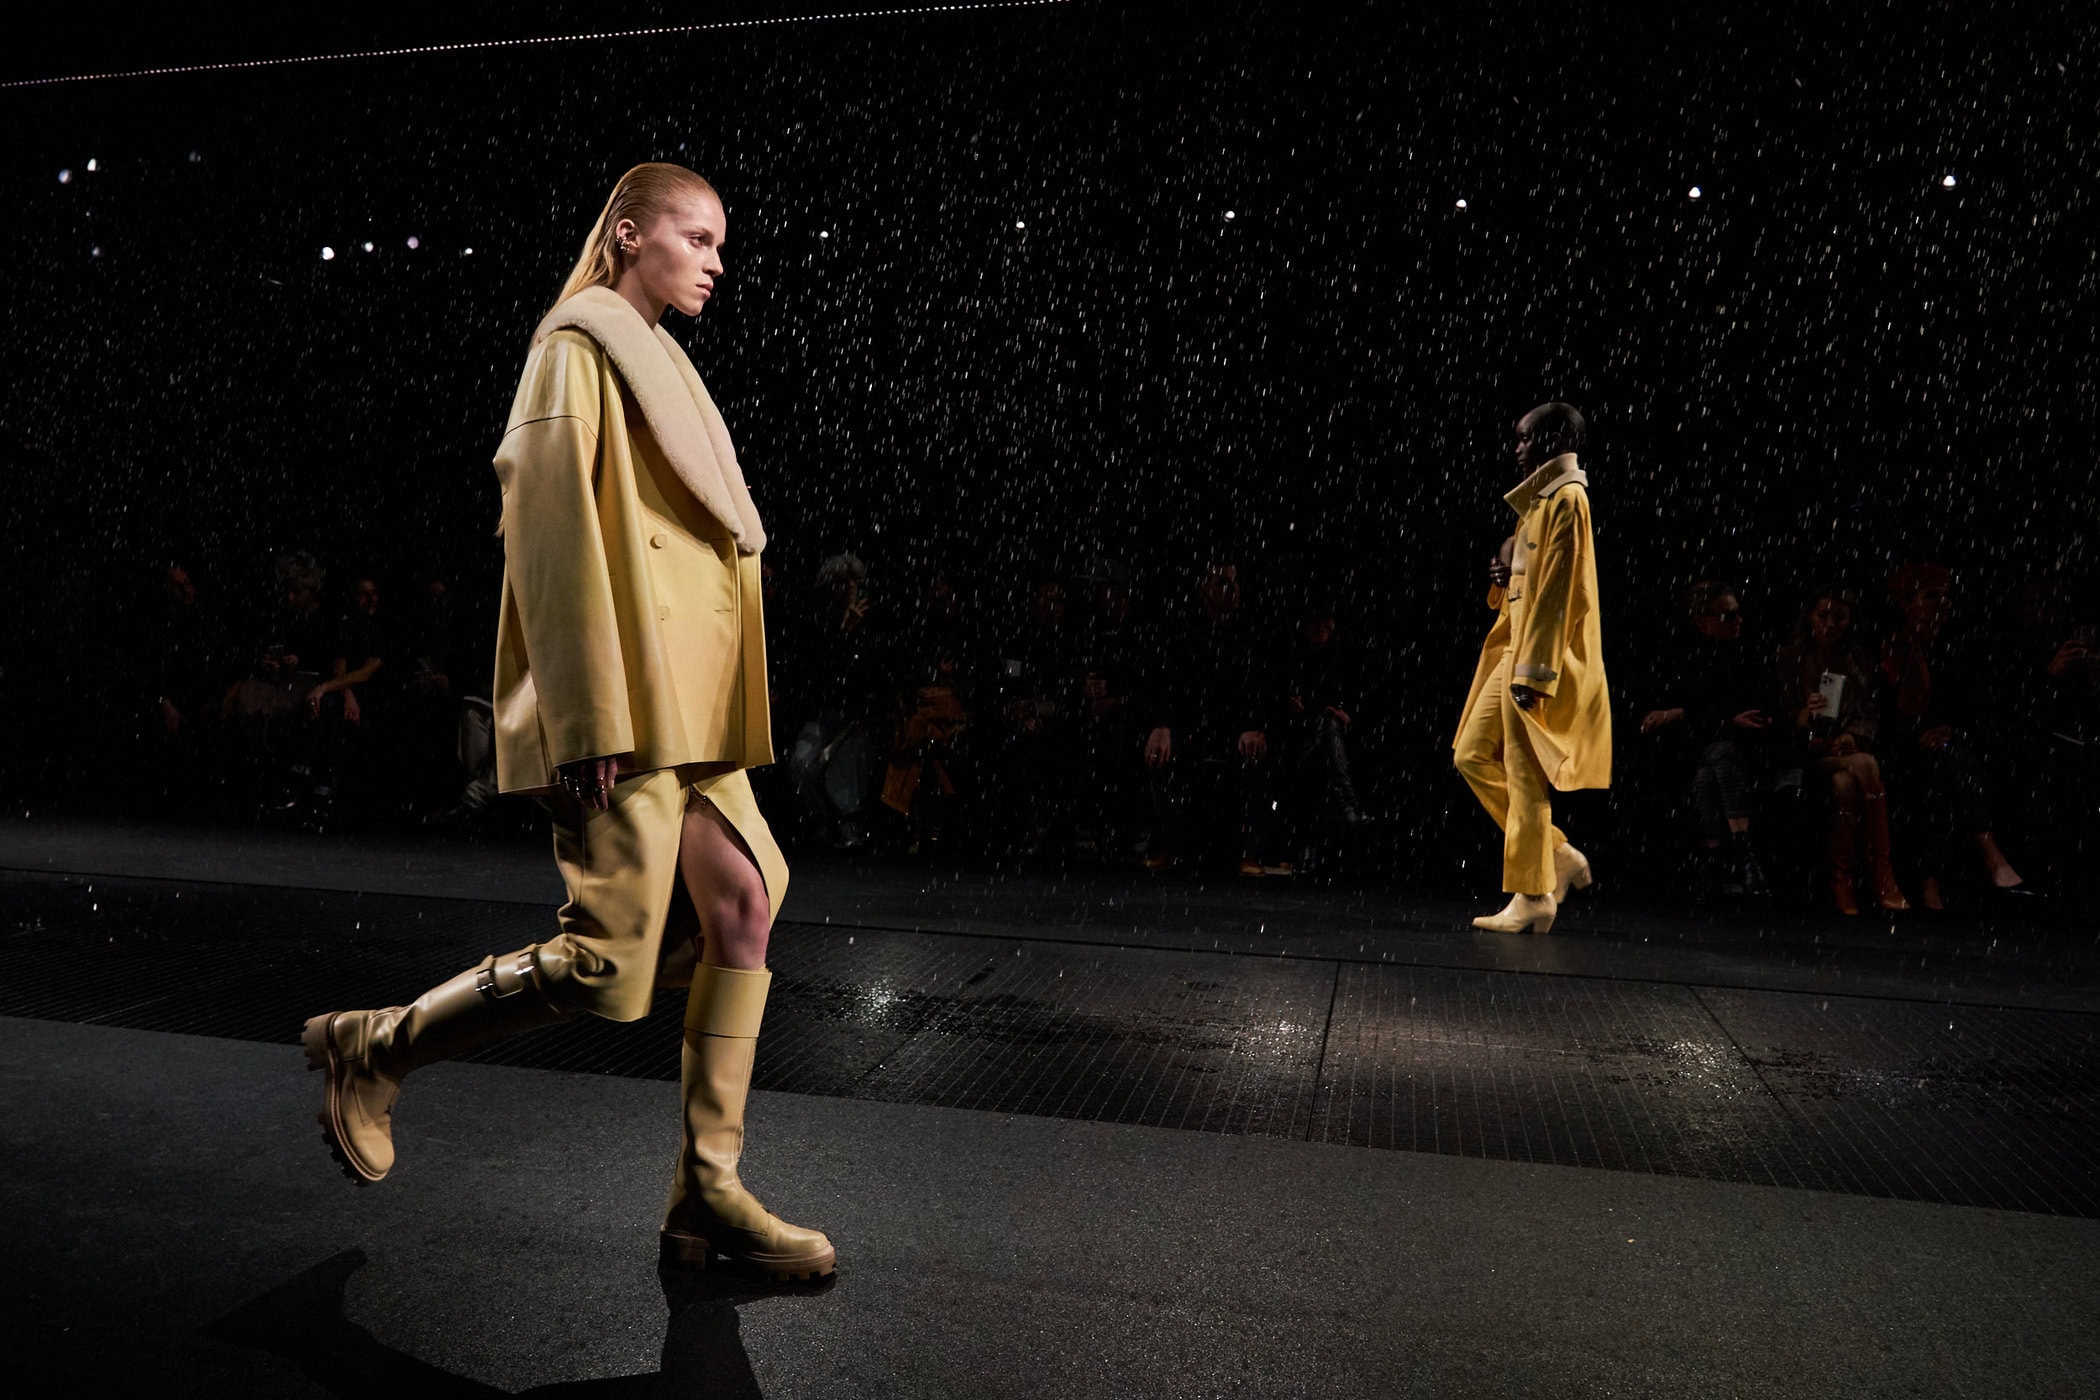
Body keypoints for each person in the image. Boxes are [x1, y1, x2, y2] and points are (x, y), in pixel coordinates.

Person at [300, 162, 833, 1280]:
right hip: (628, 704)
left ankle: (709, 1188)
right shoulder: (576, 348)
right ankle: (376, 1046)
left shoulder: (662, 361)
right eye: (696, 237)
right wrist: (583, 717)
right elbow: (548, 537)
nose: (716, 262)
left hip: (687, 707)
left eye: (721, 244)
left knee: (744, 901)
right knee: (608, 962)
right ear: (629, 234)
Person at [1454, 403, 1611, 933]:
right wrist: (1505, 577)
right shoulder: (1541, 501)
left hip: (1531, 656)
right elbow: (1532, 584)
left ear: (1556, 439)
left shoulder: (1567, 498)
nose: (1517, 448)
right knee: (1471, 754)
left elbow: (1560, 591)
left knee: (1524, 773)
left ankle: (1534, 893)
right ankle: (1557, 855)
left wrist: (1536, 672)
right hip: (1514, 645)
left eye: (1525, 438)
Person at [1637, 579, 1782, 902]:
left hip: (1746, 748)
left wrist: (1685, 714)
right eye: (1727, 616)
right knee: (1718, 758)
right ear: (1701, 623)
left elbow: (1757, 707)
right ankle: (1741, 853)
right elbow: (1687, 710)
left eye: (1738, 613)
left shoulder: (1748, 653)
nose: (1738, 620)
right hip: (1691, 747)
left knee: (1712, 771)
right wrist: (1719, 718)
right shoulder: (1681, 657)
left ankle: (1715, 858)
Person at [1775, 589, 1909, 914]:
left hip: (1842, 755)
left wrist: (1851, 735)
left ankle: (1842, 880)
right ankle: (1882, 874)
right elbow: (1778, 716)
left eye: (1839, 617)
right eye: (1823, 615)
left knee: (1845, 785)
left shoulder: (1858, 660)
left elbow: (1869, 710)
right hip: (1804, 753)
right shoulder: (1790, 657)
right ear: (1810, 616)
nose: (1830, 624)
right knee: (1867, 766)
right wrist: (1806, 717)